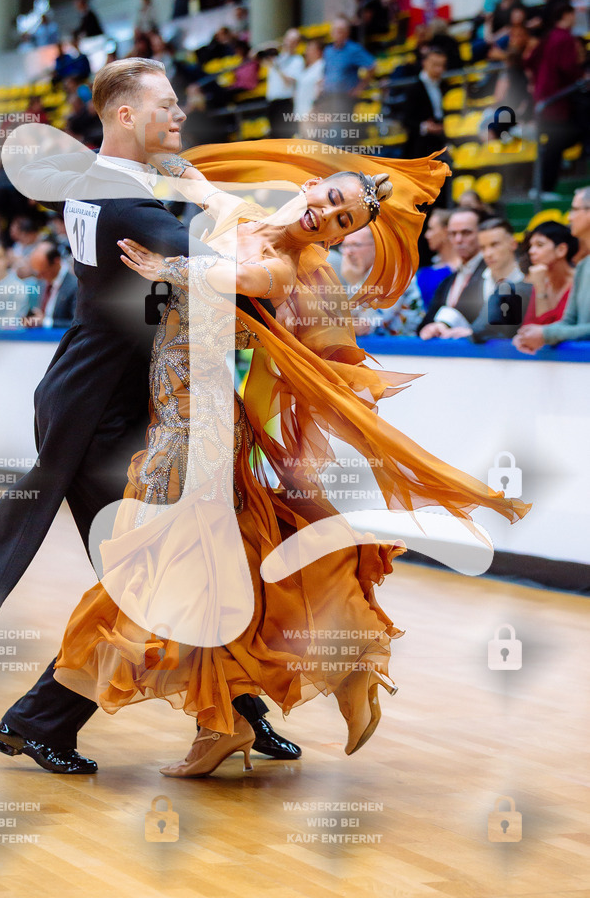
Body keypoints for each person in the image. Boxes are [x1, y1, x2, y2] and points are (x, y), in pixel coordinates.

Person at [52, 141, 529, 776]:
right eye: (330, 200)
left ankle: (226, 710)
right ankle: (252, 707)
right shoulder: (241, 214)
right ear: (311, 186)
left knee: (163, 575)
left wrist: (167, 269)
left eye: (342, 224)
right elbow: (194, 181)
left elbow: (240, 283)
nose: (326, 218)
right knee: (234, 572)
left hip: (200, 433)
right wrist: (128, 149)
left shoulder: (286, 265)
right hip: (177, 419)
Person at [0, 58, 301, 772]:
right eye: (166, 106)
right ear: (123, 115)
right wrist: (295, 225)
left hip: (96, 399)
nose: (180, 116)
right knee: (154, 574)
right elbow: (231, 272)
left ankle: (233, 711)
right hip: (100, 417)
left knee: (196, 559)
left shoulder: (108, 187)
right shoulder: (124, 206)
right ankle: (38, 720)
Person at [514, 187, 590, 352]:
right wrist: (529, 335)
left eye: (575, 210)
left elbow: (551, 330)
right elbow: (567, 322)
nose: (569, 217)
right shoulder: (584, 266)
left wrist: (546, 334)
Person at [438, 218, 531, 341]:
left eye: (494, 245)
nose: (488, 253)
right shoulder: (476, 280)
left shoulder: (528, 279)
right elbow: (459, 312)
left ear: (513, 244)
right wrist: (442, 324)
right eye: (483, 248)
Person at [525, 1, 583, 195]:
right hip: (556, 99)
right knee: (558, 142)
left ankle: (540, 186)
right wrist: (581, 78)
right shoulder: (565, 38)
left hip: (543, 96)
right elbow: (567, 68)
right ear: (566, 15)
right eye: (572, 14)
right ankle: (545, 187)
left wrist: (537, 81)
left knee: (552, 143)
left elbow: (530, 60)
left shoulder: (548, 36)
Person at [340, 225, 424, 336]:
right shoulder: (356, 274)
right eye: (345, 246)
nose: (348, 252)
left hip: (405, 349)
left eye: (356, 245)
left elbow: (369, 326)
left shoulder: (394, 273)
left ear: (377, 247)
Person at [418, 208, 486, 337]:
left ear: (481, 234)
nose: (459, 240)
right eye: (453, 234)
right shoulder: (448, 281)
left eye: (466, 233)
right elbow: (425, 324)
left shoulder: (491, 274)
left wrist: (444, 324)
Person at [320, 18, 375, 145]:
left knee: (339, 130)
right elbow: (327, 71)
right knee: (326, 129)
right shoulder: (328, 51)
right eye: (335, 31)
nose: (337, 34)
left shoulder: (353, 49)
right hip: (328, 97)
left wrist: (360, 87)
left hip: (345, 98)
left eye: (341, 31)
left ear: (347, 33)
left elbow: (372, 66)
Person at [520, 221, 577, 326]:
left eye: (539, 245)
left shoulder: (579, 282)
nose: (531, 251)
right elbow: (528, 326)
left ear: (561, 250)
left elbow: (547, 332)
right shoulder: (541, 280)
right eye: (530, 246)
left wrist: (541, 289)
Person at [402, 48, 447, 159]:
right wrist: (425, 126)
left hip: (440, 139)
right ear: (425, 63)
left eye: (442, 65)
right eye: (435, 65)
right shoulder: (414, 88)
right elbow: (406, 119)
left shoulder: (444, 85)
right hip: (420, 145)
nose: (439, 69)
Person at [27, 241, 78, 329]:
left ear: (56, 261)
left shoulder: (75, 286)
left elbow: (76, 324)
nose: (40, 277)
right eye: (37, 273)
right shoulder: (42, 283)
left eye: (43, 272)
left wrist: (46, 322)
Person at [264, 28, 305, 138]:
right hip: (272, 101)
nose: (289, 43)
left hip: (285, 102)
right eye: (288, 39)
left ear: (297, 43)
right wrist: (270, 45)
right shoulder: (277, 57)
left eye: (293, 41)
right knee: (273, 136)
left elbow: (289, 82)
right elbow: (254, 56)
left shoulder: (298, 60)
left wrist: (277, 67)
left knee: (284, 136)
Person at [416, 208, 459, 308]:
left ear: (445, 231)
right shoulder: (432, 266)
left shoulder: (460, 269)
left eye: (431, 229)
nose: (427, 235)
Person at [293, 39, 325, 131]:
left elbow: (321, 88)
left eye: (310, 49)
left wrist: (313, 109)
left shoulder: (322, 65)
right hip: (301, 111)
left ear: (318, 51)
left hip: (312, 112)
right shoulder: (307, 68)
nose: (306, 52)